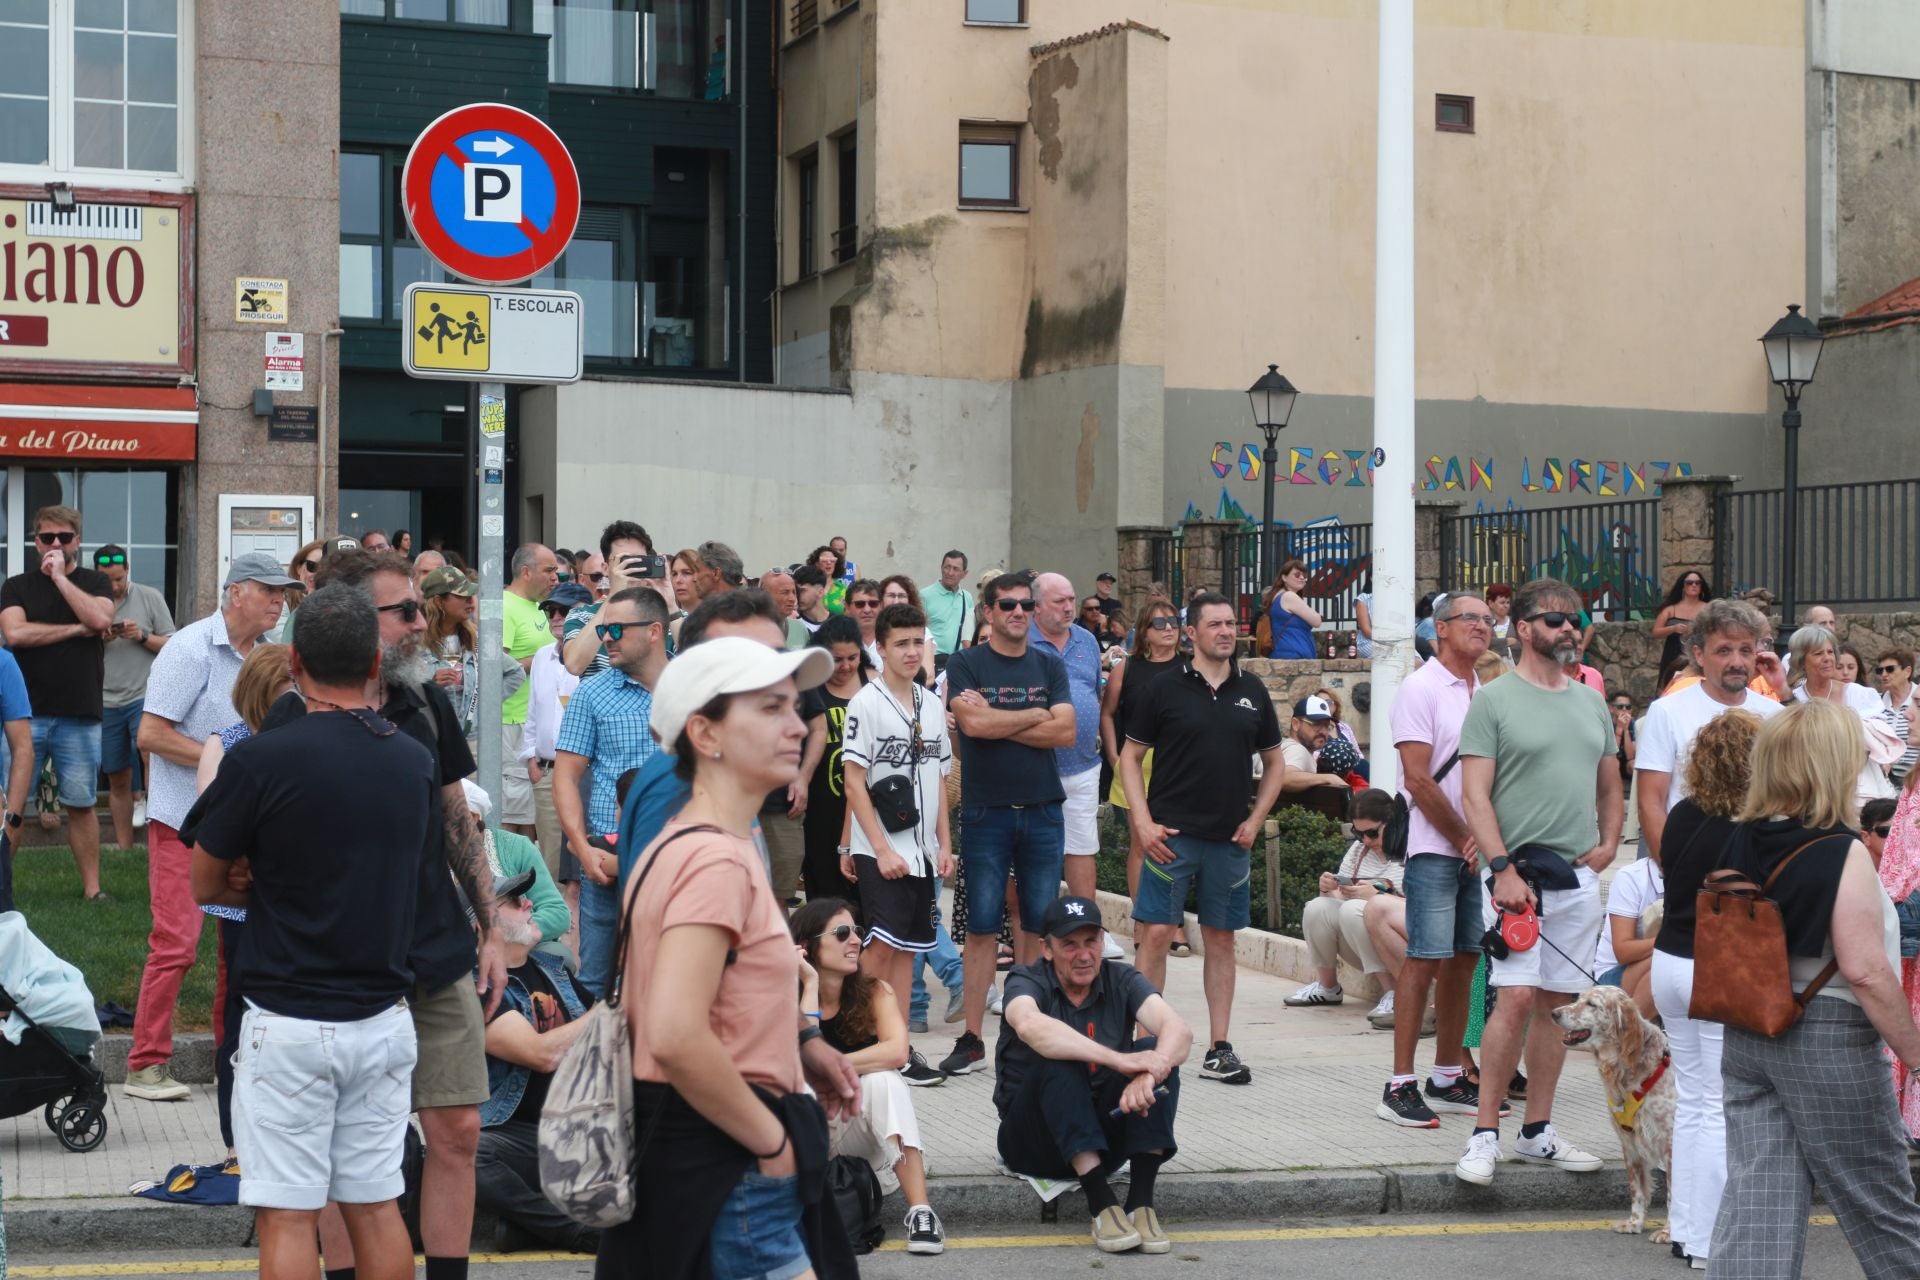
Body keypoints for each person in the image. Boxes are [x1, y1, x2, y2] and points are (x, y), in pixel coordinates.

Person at [187, 584, 429, 1280]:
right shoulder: (412, 761)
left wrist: (250, 871)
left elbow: (206, 884)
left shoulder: (262, 760)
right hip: (382, 1015)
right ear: (375, 664)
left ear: (292, 662)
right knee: (377, 1205)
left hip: (289, 1017)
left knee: (288, 1215)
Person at [601, 634, 861, 1279]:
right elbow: (674, 1032)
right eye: (769, 708)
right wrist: (772, 1142)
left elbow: (714, 1005)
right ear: (705, 735)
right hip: (730, 1159)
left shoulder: (689, 840)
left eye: (793, 707)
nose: (795, 724)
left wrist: (796, 1049)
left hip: (712, 1148)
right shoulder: (713, 857)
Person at [310, 549, 504, 1280]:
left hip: (436, 946)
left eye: (421, 608)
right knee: (347, 1147)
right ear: (357, 622)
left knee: (457, 1129)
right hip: (343, 962)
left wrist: (491, 925)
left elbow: (457, 815)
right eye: (406, 612)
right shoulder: (298, 707)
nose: (424, 624)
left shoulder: (427, 702)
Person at [1710, 700, 1920, 1279]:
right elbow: (1866, 971)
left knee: (1761, 1204)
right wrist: (1916, 1057)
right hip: (1827, 1037)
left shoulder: (1743, 838)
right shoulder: (1840, 850)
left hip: (1751, 1029)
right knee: (1882, 1205)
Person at [1454, 577, 1618, 1186]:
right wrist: (1500, 870)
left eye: (1573, 619)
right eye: (1554, 621)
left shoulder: (1591, 700)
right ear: (1523, 629)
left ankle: (1537, 1134)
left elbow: (1609, 779)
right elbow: (1475, 794)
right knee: (1515, 996)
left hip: (1574, 876)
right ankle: (1484, 1132)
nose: (1568, 629)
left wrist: (1608, 841)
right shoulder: (1493, 700)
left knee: (1557, 1007)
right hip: (1514, 877)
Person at [125, 552, 292, 1102]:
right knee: (176, 943)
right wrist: (223, 761)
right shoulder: (188, 647)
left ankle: (234, 1058)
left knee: (237, 950)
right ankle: (144, 1064)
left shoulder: (270, 656)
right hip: (181, 820)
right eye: (269, 590)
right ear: (235, 591)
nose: (279, 600)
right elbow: (150, 734)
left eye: (283, 591)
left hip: (245, 828)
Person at [1122, 590, 1285, 1086]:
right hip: (1171, 837)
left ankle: (1219, 1047)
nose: (1225, 632)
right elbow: (1129, 758)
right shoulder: (1163, 688)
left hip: (1229, 839)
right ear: (1191, 634)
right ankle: (1145, 1043)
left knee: (1221, 939)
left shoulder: (1252, 689)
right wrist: (1143, 823)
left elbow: (1275, 763)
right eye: (1213, 625)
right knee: (1153, 935)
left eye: (1231, 623)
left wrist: (1256, 820)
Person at [994, 895, 1192, 1256]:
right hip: (1031, 1140)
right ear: (1047, 948)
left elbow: (1178, 1030)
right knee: (1059, 1057)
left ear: (1103, 942)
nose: (1083, 955)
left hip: (1102, 1137)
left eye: (1091, 942)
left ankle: (1140, 1203)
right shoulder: (1026, 979)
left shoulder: (1122, 978)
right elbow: (1030, 1025)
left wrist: (1148, 1073)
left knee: (1156, 1054)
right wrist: (1119, 1061)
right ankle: (1100, 1204)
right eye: (1069, 944)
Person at [939, 572, 1074, 1077]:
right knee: (980, 928)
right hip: (986, 813)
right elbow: (972, 726)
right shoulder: (966, 662)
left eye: (1024, 604)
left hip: (1042, 809)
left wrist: (998, 719)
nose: (1017, 612)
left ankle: (1026, 1033)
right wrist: (1033, 714)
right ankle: (972, 1038)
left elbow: (1067, 732)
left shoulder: (1048, 663)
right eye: (1007, 605)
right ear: (989, 613)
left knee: (1037, 928)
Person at [1377, 591, 1494, 1129]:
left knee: (1465, 959)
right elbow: (1417, 779)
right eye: (1471, 618)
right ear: (1441, 628)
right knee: (1424, 959)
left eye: (1490, 620)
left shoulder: (1483, 690)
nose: (1483, 627)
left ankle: (1447, 1075)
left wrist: (1482, 840)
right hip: (1434, 848)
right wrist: (1465, 836)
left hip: (1474, 850)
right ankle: (1399, 1083)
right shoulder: (1420, 687)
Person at [1650, 708, 1762, 1269]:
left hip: (1668, 960)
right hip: (1711, 967)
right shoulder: (1748, 824)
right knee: (1715, 1105)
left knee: (1694, 1102)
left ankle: (1688, 1229)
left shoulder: (1681, 813)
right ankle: (1709, 1239)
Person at [792, 898, 946, 1254]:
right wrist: (809, 982)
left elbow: (895, 1052)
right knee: (799, 1085)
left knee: (885, 1080)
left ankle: (922, 1213)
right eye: (842, 933)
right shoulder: (783, 994)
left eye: (856, 932)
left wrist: (834, 1066)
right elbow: (803, 1055)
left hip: (856, 1137)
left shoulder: (876, 991)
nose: (855, 941)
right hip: (805, 1140)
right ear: (808, 946)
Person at [189, 640, 294, 1161]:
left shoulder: (308, 739)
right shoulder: (228, 743)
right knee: (241, 1019)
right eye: (285, 691)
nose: (295, 700)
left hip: (292, 900)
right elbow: (216, 833)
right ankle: (236, 1141)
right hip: (242, 904)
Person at [841, 603, 952, 1077]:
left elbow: (941, 780)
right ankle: (849, 1037)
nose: (910, 652)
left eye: (916, 642)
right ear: (880, 649)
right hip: (880, 847)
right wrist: (877, 849)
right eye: (900, 644)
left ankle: (899, 1048)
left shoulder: (932, 702)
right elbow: (852, 781)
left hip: (924, 852)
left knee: (908, 950)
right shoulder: (864, 702)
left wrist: (946, 845)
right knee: (880, 947)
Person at [554, 587, 671, 998]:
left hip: (677, 856)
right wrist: (580, 849)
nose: (607, 637)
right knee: (596, 982)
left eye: (617, 628)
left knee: (669, 979)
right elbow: (565, 777)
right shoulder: (592, 692)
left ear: (655, 631)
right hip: (606, 857)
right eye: (604, 628)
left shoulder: (691, 689)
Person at [474, 870, 598, 1255]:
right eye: (514, 901)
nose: (529, 904)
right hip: (523, 1137)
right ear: (479, 922)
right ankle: (574, 1230)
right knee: (471, 1155)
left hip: (585, 1126)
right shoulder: (477, 987)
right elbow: (540, 1054)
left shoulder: (553, 968)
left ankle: (528, 1226)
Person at [0, 504, 116, 899]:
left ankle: (93, 889)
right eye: (47, 537)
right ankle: (2, 885)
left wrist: (62, 580)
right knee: (9, 805)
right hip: (22, 715)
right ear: (35, 542)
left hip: (79, 712)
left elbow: (101, 621)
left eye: (63, 538)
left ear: (77, 542)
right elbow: (15, 635)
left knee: (81, 804)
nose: (55, 544)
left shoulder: (96, 581)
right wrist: (75, 629)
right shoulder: (15, 586)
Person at [1636, 598, 1785, 859]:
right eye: (1724, 651)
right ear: (1698, 654)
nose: (1737, 662)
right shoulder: (1667, 711)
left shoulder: (1775, 714)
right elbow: (1650, 802)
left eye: (1746, 650)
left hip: (1759, 863)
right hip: (1689, 857)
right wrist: (1671, 868)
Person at [1287, 789, 1404, 1016]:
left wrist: (1377, 897)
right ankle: (1327, 986)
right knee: (1317, 907)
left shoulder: (1409, 848)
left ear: (1390, 822)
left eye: (1372, 833)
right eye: (1359, 834)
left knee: (1356, 909)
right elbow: (1339, 901)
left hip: (1398, 945)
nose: (1367, 841)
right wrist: (1328, 889)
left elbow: (1418, 906)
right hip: (1362, 942)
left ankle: (1395, 992)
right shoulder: (1359, 850)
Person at [1031, 572, 1108, 906]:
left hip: (1083, 765)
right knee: (1037, 853)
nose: (1068, 608)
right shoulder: (1022, 641)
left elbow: (1094, 691)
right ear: (1036, 606)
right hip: (1036, 766)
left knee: (1082, 846)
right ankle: (1038, 929)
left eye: (1071, 600)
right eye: (1059, 601)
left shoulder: (1086, 640)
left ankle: (1087, 927)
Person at [1101, 600, 1182, 900]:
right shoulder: (1128, 668)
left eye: (1173, 622)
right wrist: (1113, 756)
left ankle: (1169, 921)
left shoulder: (1190, 667)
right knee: (1140, 844)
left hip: (1177, 766)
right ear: (1145, 631)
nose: (1169, 629)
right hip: (1134, 765)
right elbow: (1107, 713)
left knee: (1175, 846)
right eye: (1159, 624)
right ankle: (1142, 920)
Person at [96, 544, 174, 847]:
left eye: (118, 579)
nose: (114, 586)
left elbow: (172, 644)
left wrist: (141, 636)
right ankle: (125, 846)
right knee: (117, 777)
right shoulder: (90, 602)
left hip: (145, 694)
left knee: (151, 758)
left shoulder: (149, 597)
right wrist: (100, 638)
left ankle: (158, 840)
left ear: (127, 570)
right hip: (104, 700)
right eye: (107, 580)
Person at [522, 583, 589, 885]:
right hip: (547, 771)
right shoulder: (541, 656)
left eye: (565, 610)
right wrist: (530, 759)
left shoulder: (596, 656)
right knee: (551, 861)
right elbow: (533, 711)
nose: (557, 617)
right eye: (551, 611)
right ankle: (557, 928)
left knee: (584, 857)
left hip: (585, 774)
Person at [800, 616, 868, 911]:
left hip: (867, 813)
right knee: (826, 902)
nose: (845, 666)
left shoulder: (874, 683)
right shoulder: (809, 687)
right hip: (821, 813)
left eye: (852, 658)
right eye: (836, 659)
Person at [423, 564, 527, 753]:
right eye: (462, 596)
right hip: (428, 743)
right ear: (439, 601)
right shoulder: (414, 643)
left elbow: (516, 672)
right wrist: (428, 684)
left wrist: (482, 704)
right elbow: (399, 691)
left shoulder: (477, 640)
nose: (471, 601)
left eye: (471, 594)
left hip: (472, 745)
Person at [1789, 624, 1895, 804]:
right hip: (1812, 791)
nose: (1827, 658)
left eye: (1830, 652)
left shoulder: (1858, 694)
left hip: (1858, 789)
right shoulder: (1794, 700)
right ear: (1801, 661)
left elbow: (1878, 739)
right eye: (1818, 654)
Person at [563, 521, 674, 679]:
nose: (632, 567)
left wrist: (670, 604)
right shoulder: (581, 616)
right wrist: (615, 593)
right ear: (606, 568)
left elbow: (697, 665)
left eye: (639, 560)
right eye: (624, 560)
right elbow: (574, 665)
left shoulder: (668, 616)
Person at [501, 543, 560, 836]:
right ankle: (505, 878)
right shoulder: (504, 605)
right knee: (514, 813)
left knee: (534, 816)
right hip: (511, 720)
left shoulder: (541, 607)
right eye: (549, 570)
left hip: (535, 723)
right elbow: (494, 667)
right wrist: (544, 658)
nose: (555, 578)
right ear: (525, 571)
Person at [1593, 853, 1660, 1017]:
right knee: (1668, 959)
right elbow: (1624, 951)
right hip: (1613, 975)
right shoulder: (1632, 877)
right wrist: (1677, 938)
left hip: (1653, 969)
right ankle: (1628, 1032)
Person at [1278, 696, 1355, 797]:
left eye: (1327, 726)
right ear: (1296, 724)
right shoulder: (1297, 751)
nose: (1323, 731)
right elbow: (1284, 778)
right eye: (1316, 724)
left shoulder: (1282, 748)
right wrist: (1330, 778)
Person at [1652, 571, 1713, 684]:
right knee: (1669, 684)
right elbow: (1655, 633)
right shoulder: (1670, 609)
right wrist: (1673, 629)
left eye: (1698, 583)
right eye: (1689, 582)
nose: (1694, 585)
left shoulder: (1708, 608)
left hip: (1698, 652)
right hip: (1673, 654)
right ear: (1683, 586)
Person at [922, 550, 974, 672]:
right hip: (933, 663)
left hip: (960, 663)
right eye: (947, 567)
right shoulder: (924, 595)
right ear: (941, 568)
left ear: (964, 574)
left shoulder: (967, 597)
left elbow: (970, 632)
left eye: (956, 569)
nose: (950, 573)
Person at [1877, 648, 1919, 787]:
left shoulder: (1918, 699)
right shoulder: (1876, 704)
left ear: (1907, 671)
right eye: (1880, 670)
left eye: (1890, 669)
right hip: (1885, 782)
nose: (1884, 674)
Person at [1262, 558, 1319, 659]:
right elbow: (1317, 621)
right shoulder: (1289, 596)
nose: (1302, 578)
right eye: (1297, 575)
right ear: (1284, 577)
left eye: (1304, 576)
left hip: (1286, 655)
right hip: (1293, 656)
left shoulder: (1278, 596)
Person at [793, 564, 832, 633]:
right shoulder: (792, 623)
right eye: (795, 591)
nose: (797, 596)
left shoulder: (838, 623)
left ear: (820, 592)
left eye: (802, 591)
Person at [670, 548, 707, 614]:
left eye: (687, 573)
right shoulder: (665, 619)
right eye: (674, 574)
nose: (678, 580)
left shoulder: (719, 618)